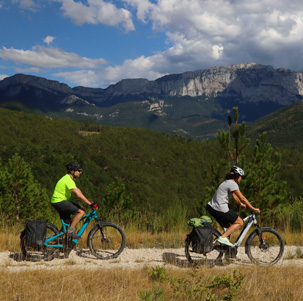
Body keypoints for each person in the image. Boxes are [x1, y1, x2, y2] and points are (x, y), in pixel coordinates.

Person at [206, 166, 260, 247]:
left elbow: (235, 197)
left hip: (212, 208)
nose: (241, 179)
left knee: (228, 229)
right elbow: (242, 198)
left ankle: (228, 251)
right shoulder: (232, 183)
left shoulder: (227, 182)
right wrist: (253, 208)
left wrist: (242, 205)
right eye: (241, 177)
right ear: (237, 176)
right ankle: (222, 238)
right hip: (220, 208)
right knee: (240, 222)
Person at [51, 162, 98, 239]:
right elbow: (78, 195)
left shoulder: (68, 179)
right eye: (79, 170)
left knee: (67, 222)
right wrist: (90, 204)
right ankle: (71, 231)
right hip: (59, 201)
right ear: (73, 171)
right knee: (81, 211)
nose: (80, 172)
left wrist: (89, 201)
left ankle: (58, 240)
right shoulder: (68, 180)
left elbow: (78, 191)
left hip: (57, 201)